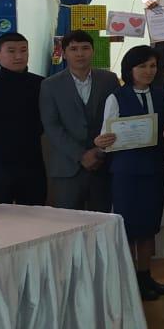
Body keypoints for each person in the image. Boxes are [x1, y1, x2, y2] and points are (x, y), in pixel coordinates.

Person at [94, 45, 164, 301]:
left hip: (155, 169)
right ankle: (128, 281)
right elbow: (107, 135)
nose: (148, 71)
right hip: (126, 171)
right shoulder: (116, 97)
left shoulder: (160, 95)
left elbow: (163, 134)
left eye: (153, 66)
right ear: (129, 69)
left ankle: (145, 276)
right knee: (128, 226)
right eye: (142, 66)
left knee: (149, 226)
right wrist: (101, 142)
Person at [39, 31, 119, 211]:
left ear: (93, 51)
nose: (80, 53)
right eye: (73, 49)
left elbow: (115, 118)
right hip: (67, 167)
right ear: (64, 53)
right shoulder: (50, 85)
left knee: (101, 221)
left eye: (85, 48)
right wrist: (81, 155)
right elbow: (52, 126)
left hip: (102, 165)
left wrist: (99, 152)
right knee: (67, 223)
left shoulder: (109, 79)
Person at [0, 32, 45, 206]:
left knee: (34, 216)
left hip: (33, 164)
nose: (18, 56)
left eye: (23, 50)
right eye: (11, 51)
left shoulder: (42, 85)